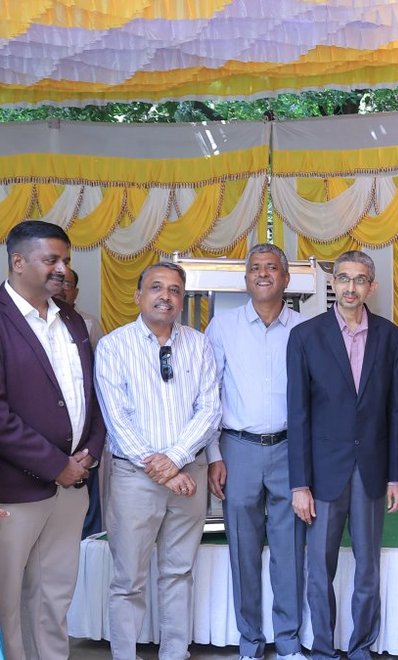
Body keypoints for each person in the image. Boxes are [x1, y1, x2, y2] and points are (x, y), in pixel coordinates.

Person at [96, 261, 221, 660]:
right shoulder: (114, 346)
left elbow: (209, 410)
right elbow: (117, 418)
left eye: (174, 290)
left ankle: (174, 653)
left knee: (178, 573)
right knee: (128, 579)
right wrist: (165, 469)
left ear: (182, 299)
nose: (165, 296)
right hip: (136, 478)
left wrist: (177, 460)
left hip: (190, 473)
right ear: (138, 295)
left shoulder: (199, 344)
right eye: (156, 287)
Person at [287, 250, 398, 660]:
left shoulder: (390, 337)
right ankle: (322, 650)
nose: (350, 287)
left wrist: (395, 475)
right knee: (320, 570)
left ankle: (361, 649)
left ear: (371, 285)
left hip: (371, 471)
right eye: (343, 279)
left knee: (367, 568)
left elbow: (396, 412)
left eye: (359, 280)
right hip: (322, 475)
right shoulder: (306, 336)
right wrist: (300, 483)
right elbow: (297, 415)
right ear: (332, 284)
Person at [0, 220, 105, 660]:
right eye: (51, 260)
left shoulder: (74, 322)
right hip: (16, 491)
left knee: (54, 598)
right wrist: (55, 464)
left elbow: (94, 397)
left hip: (72, 488)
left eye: (66, 259)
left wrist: (89, 454)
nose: (62, 269)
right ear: (18, 261)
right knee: (9, 603)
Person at [205, 244, 307, 660]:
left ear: (286, 278)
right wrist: (214, 454)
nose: (263, 273)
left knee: (289, 552)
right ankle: (250, 643)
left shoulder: (305, 328)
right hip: (238, 450)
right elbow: (208, 395)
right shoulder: (222, 327)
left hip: (290, 451)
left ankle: (287, 643)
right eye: (254, 268)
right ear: (245, 278)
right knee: (243, 551)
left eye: (272, 267)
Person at [55, 266, 109, 539]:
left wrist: (92, 447)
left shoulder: (86, 324)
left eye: (68, 284)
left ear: (75, 292)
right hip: (41, 449)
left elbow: (99, 383)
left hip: (84, 443)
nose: (62, 287)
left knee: (87, 518)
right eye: (58, 280)